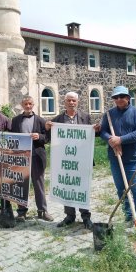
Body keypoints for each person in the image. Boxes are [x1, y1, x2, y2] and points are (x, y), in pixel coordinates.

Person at [45, 91, 100, 230]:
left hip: (82, 160)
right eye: (69, 100)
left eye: (73, 101)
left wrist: (96, 130)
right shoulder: (57, 120)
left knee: (82, 187)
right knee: (67, 186)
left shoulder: (85, 117)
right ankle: (69, 216)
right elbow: (49, 138)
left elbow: (91, 135)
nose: (71, 103)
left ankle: (86, 217)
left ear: (77, 102)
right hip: (65, 161)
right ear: (65, 102)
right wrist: (47, 129)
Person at [100, 86, 136, 234]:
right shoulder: (109, 114)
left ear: (128, 98)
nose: (118, 99)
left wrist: (120, 140)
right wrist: (110, 140)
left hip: (134, 160)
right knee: (122, 190)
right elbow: (103, 131)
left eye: (121, 96)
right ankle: (129, 216)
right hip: (116, 159)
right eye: (115, 97)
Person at [11, 96, 54, 222]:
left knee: (39, 184)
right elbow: (11, 136)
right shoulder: (15, 120)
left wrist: (39, 136)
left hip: (37, 156)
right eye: (25, 104)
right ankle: (21, 212)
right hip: (20, 157)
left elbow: (47, 137)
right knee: (20, 184)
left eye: (30, 104)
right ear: (22, 105)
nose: (28, 106)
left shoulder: (41, 120)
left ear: (33, 105)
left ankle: (42, 211)